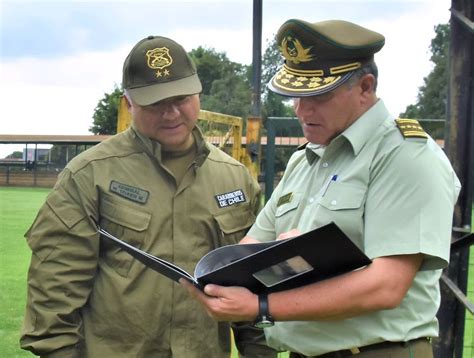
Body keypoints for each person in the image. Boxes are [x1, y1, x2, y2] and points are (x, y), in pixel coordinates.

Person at [182, 19, 462, 357]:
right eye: (295, 96)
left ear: (365, 87)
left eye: (318, 96)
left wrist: (262, 304)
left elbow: (386, 286)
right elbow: (253, 250)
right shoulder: (307, 160)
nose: (302, 110)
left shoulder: (405, 156)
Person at [19, 35, 271, 358]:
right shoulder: (89, 175)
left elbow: (254, 301)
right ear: (128, 104)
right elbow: (54, 297)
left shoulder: (235, 179)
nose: (171, 113)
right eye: (155, 102)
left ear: (198, 91)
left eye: (180, 97)